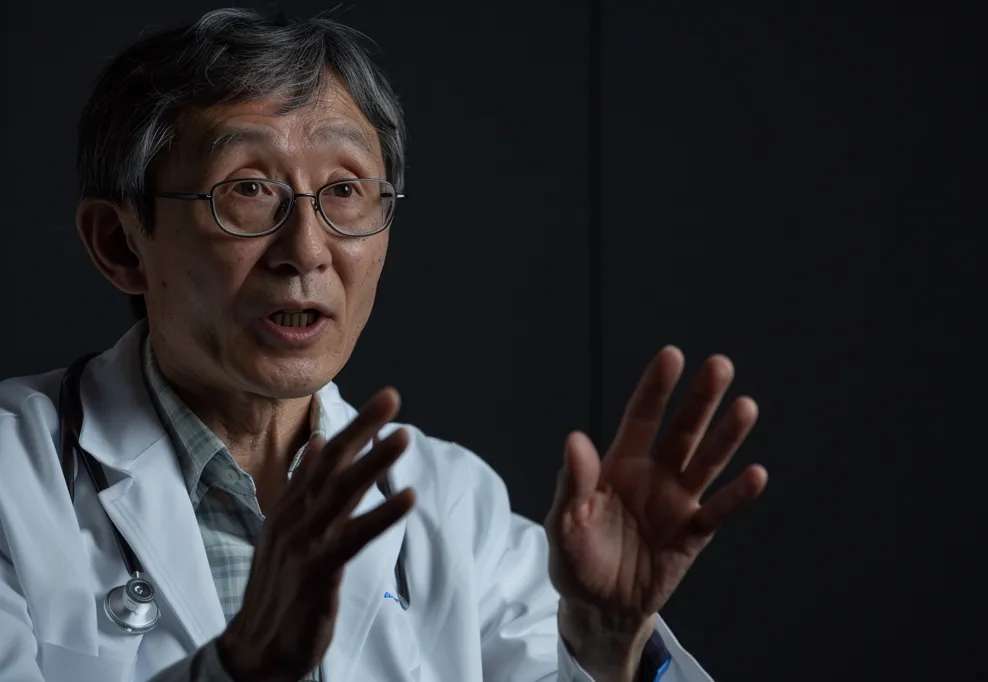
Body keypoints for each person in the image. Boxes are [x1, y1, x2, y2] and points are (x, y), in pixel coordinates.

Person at [0, 8, 768, 682]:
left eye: (344, 191)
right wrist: (235, 671)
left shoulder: (452, 504)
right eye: (247, 188)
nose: (306, 249)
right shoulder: (15, 476)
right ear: (120, 243)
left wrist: (606, 642)